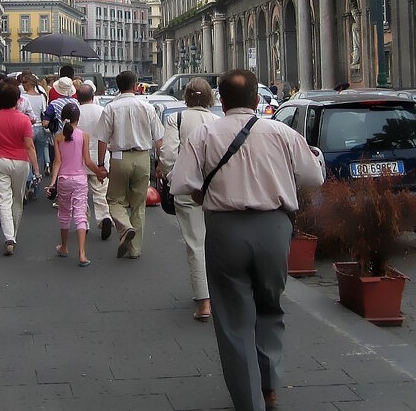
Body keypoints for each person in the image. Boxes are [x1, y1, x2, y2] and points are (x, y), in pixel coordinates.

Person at [169, 69, 325, 411]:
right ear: (257, 99)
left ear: (221, 100)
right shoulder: (282, 133)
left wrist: (204, 194)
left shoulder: (205, 135)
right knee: (270, 305)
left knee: (233, 319)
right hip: (274, 228)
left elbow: (179, 183)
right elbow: (314, 177)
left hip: (225, 231)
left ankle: (249, 401)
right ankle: (269, 388)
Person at [157, 78, 217, 322]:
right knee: (215, 244)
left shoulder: (177, 119)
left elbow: (168, 154)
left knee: (195, 244)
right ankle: (219, 292)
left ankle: (204, 302)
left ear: (187, 97)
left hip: (187, 190)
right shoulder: (217, 121)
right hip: (215, 190)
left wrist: (176, 179)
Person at [95, 70, 164, 259]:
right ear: (135, 86)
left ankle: (125, 227)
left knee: (114, 199)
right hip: (142, 157)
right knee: (138, 204)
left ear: (118, 86)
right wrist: (160, 163)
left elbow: (102, 139)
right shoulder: (147, 107)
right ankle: (135, 250)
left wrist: (101, 164)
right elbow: (159, 139)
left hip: (119, 157)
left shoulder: (110, 107)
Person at [0, 81, 39, 256]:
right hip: (21, 162)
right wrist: (36, 170)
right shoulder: (24, 119)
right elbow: (30, 147)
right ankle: (13, 234)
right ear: (17, 100)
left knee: (3, 200)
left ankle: (9, 236)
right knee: (17, 199)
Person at [48, 103, 103, 266]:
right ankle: (82, 254)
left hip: (64, 180)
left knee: (64, 213)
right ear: (78, 118)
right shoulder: (84, 136)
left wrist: (52, 183)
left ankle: (64, 247)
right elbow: (87, 161)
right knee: (80, 215)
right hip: (80, 179)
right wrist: (100, 173)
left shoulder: (58, 137)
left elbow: (57, 162)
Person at [76, 82, 113, 239]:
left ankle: (84, 222)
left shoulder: (74, 112)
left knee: (81, 193)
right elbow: (108, 135)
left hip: (78, 158)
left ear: (77, 97)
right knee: (100, 191)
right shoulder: (102, 111)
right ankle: (104, 216)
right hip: (99, 157)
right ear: (93, 96)